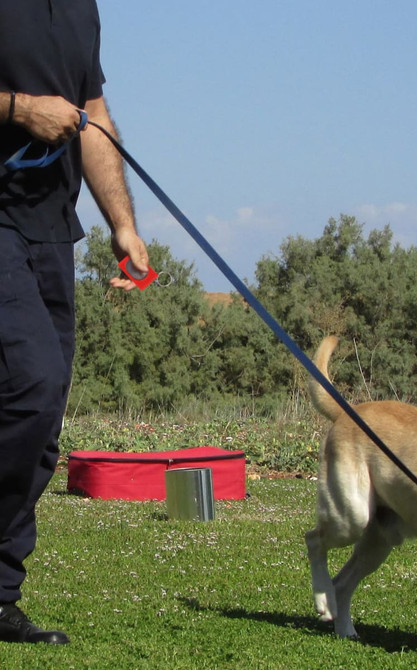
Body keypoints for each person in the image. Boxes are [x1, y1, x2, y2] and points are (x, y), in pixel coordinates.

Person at [0, 0, 149, 643]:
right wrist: (19, 109)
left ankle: (1, 595)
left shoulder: (82, 9)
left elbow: (94, 117)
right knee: (29, 388)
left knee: (44, 423)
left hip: (53, 231)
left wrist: (123, 223)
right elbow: (42, 110)